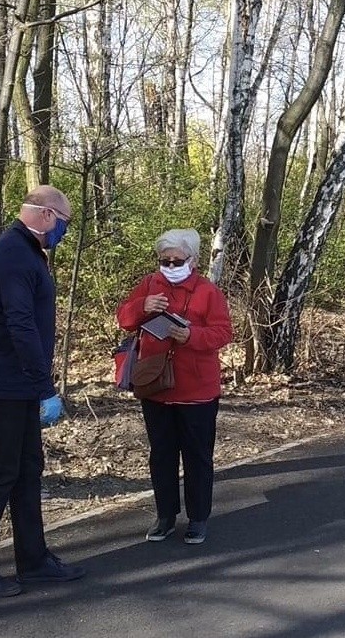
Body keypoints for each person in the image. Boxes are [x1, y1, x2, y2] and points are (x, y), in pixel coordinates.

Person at [0, 185, 86, 598]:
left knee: (28, 469)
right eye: (63, 223)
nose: (63, 231)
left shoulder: (28, 253)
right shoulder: (13, 253)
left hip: (20, 384)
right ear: (46, 215)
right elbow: (19, 324)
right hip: (4, 384)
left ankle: (33, 560)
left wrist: (36, 385)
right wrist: (43, 386)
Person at [116, 228, 233, 545]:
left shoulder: (208, 292)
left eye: (176, 260)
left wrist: (192, 336)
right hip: (155, 386)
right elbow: (124, 318)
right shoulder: (149, 284)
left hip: (197, 390)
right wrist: (143, 307)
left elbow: (223, 333)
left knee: (197, 456)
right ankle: (165, 516)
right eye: (164, 260)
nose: (169, 265)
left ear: (192, 260)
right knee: (162, 454)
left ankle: (198, 518)